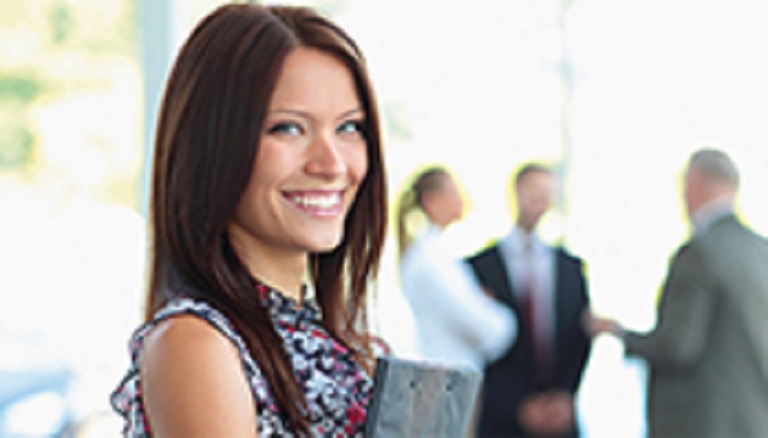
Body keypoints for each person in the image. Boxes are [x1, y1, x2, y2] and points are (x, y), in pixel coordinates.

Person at [110, 4, 388, 436]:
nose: (332, 164)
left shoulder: (342, 342)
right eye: (288, 128)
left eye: (349, 128)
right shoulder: (199, 342)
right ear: (212, 146)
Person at [586, 148, 768, 437]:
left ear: (693, 183)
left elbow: (678, 347)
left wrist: (619, 333)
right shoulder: (761, 251)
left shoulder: (699, 253)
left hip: (700, 423)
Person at [467, 163, 592, 437]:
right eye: (533, 190)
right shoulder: (478, 268)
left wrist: (564, 396)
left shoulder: (571, 268)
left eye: (546, 192)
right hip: (500, 420)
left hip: (559, 419)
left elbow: (580, 336)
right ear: (515, 193)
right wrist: (515, 406)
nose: (539, 199)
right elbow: (475, 347)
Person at [397, 166, 516, 371]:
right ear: (431, 201)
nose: (462, 198)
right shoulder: (431, 259)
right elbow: (485, 327)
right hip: (444, 376)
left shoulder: (432, 254)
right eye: (453, 192)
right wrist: (492, 308)